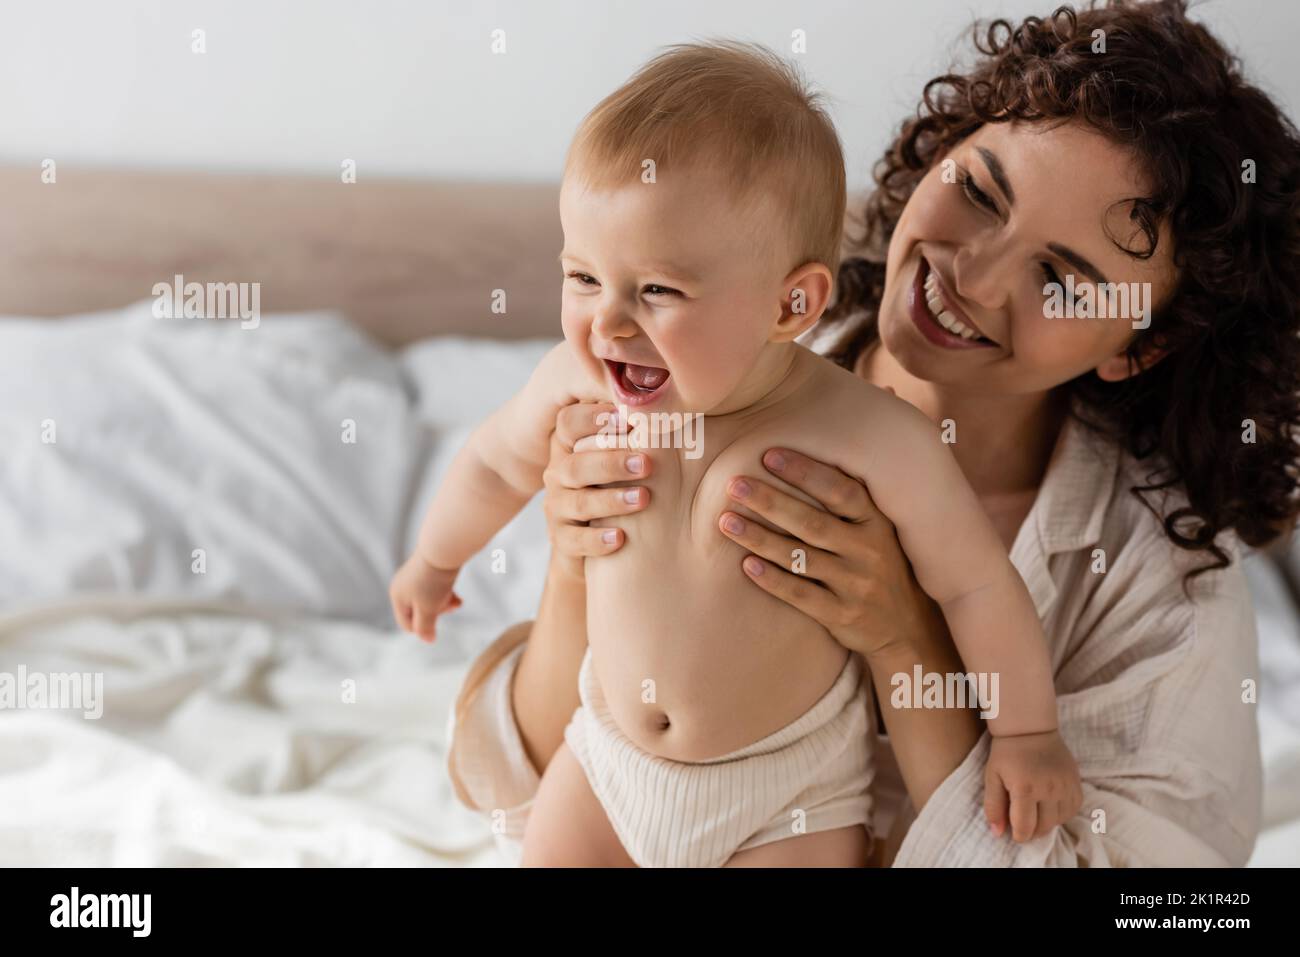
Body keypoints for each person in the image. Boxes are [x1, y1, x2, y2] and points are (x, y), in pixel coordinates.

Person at [443, 0, 1300, 866]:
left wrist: (903, 638)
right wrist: (572, 560)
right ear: (941, 150)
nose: (971, 274)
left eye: (1062, 280)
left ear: (1139, 345)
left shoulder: (1168, 579)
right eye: (977, 191)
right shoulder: (688, 363)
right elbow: (511, 782)